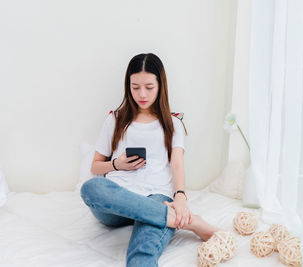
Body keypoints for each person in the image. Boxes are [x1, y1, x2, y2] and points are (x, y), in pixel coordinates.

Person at [80, 53, 220, 267]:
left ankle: (165, 215)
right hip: (118, 201)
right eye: (135, 87)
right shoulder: (115, 119)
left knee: (143, 252)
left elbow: (177, 163)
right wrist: (117, 164)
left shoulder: (173, 123)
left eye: (148, 87)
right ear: (128, 86)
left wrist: (180, 197)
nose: (141, 94)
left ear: (160, 85)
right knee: (91, 188)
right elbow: (96, 166)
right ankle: (185, 222)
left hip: (156, 197)